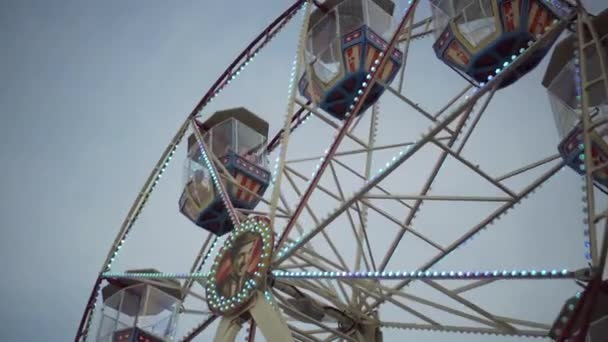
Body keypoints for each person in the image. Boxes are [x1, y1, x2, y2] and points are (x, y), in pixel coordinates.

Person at [216, 232, 262, 298]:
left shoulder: (252, 282)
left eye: (249, 252)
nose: (245, 261)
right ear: (232, 257)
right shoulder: (220, 288)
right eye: (241, 255)